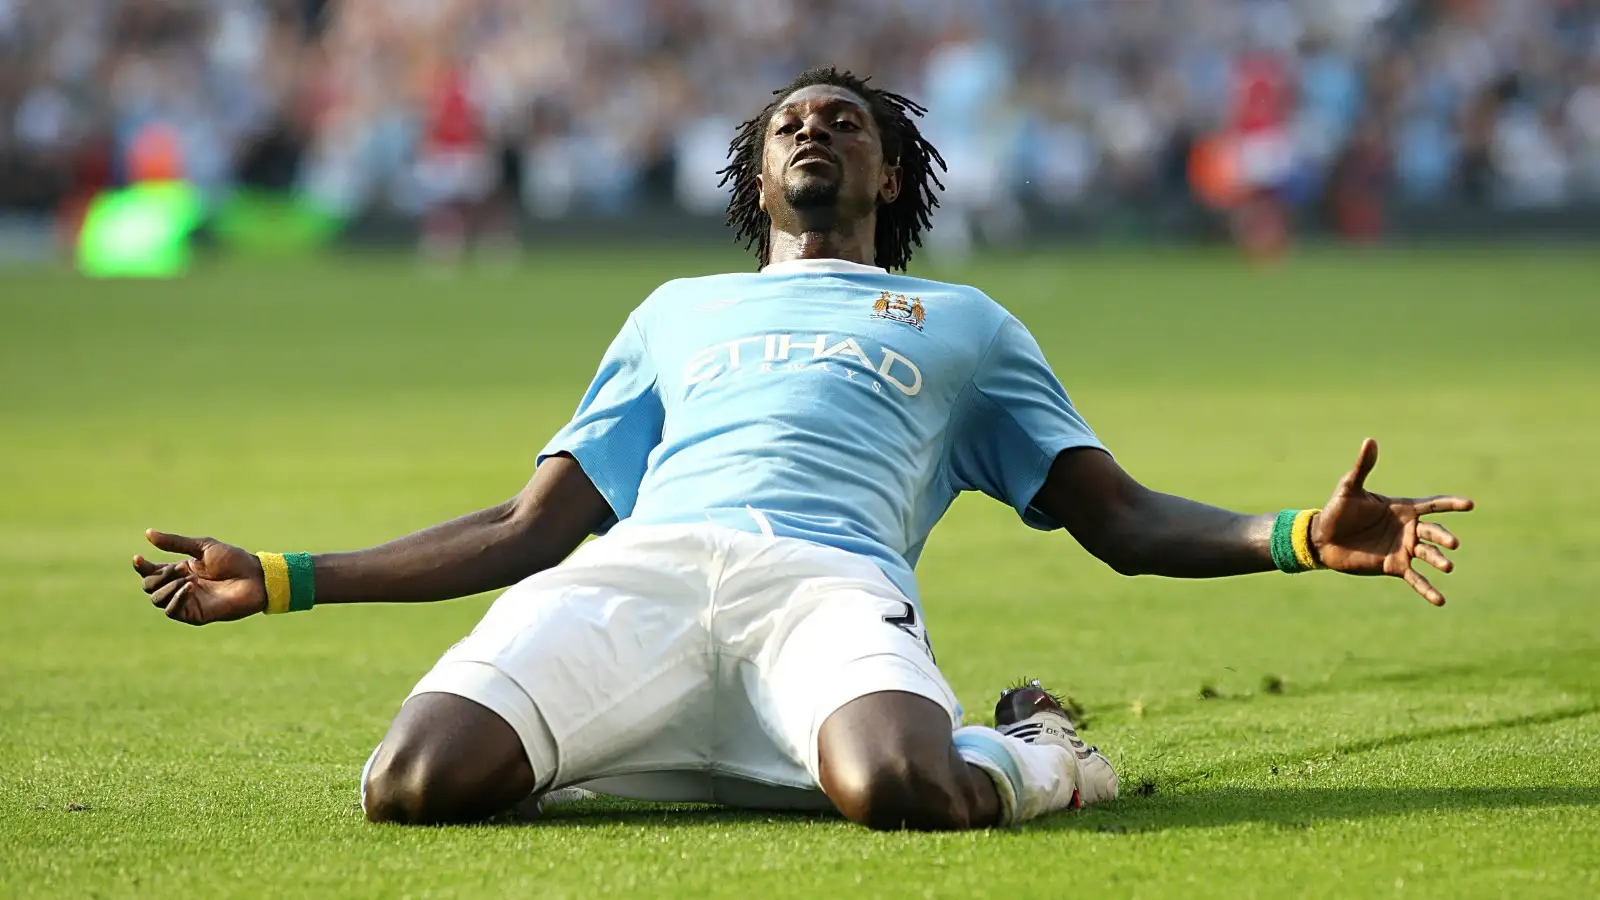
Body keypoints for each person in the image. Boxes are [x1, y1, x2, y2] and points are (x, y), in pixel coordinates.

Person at [132, 67, 1474, 831]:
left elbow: (1116, 520)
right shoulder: (674, 314)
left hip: (823, 590)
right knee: (410, 786)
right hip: (638, 580)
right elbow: (524, 531)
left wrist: (1294, 536)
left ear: (893, 175)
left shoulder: (967, 323)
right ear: (753, 176)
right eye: (792, 122)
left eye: (848, 121)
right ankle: (689, 735)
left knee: (904, 785)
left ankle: (1040, 749)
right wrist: (290, 575)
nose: (817, 128)